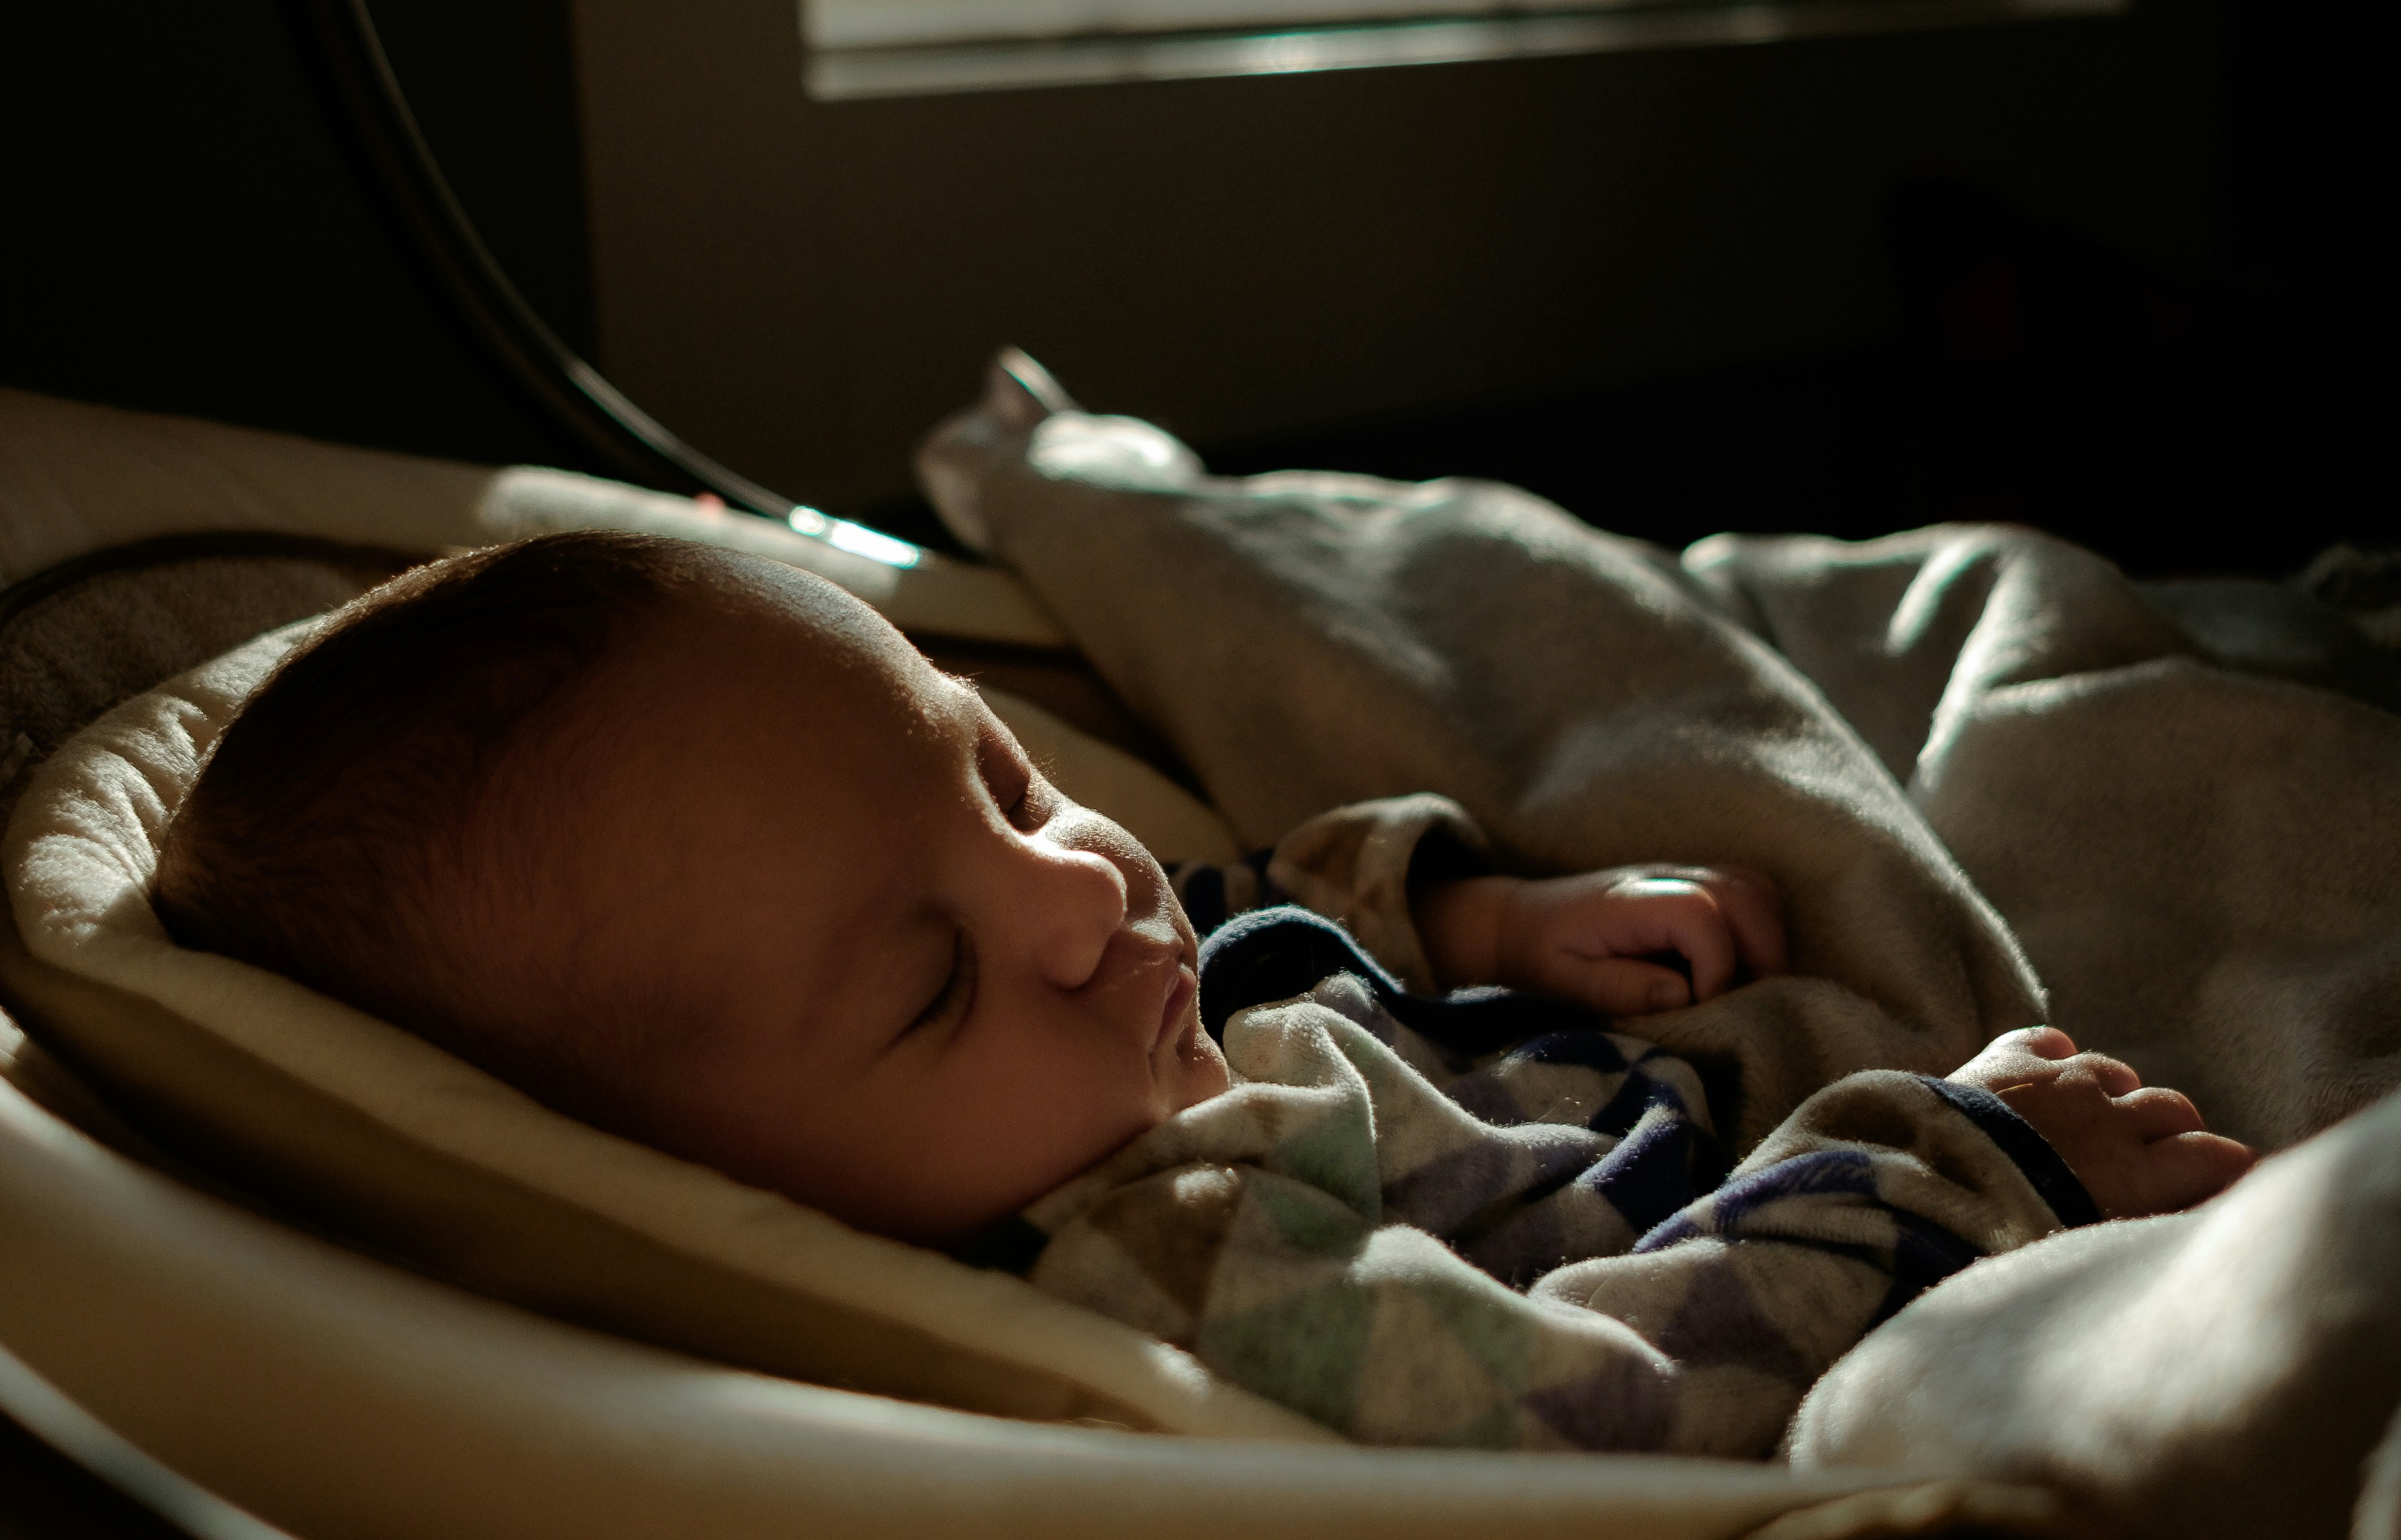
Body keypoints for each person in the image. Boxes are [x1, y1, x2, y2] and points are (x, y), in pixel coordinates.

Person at [157, 532, 2252, 1454]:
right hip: (1786, 1208)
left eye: (996, 771)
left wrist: (1475, 918)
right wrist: (1952, 1163)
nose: (1074, 886)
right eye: (926, 987)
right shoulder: (1183, 1258)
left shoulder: (1087, 1021)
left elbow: (1232, 910)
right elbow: (1613, 1407)